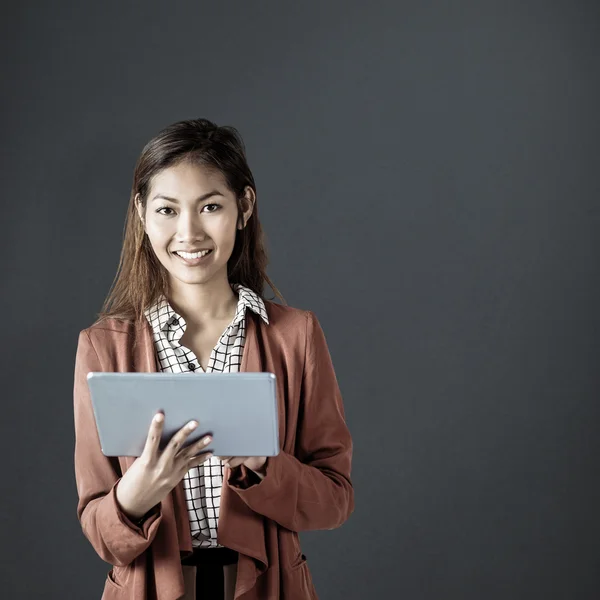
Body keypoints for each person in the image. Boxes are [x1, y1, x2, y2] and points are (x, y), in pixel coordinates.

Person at [72, 118, 354, 600]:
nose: (189, 232)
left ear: (244, 207)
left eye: (210, 207)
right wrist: (136, 494)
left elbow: (334, 500)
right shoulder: (103, 346)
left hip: (270, 588)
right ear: (141, 213)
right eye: (166, 209)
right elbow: (99, 530)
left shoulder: (296, 336)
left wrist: (265, 465)